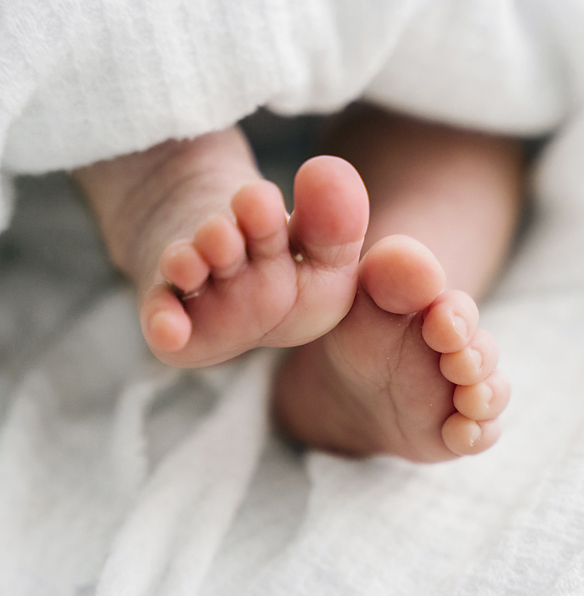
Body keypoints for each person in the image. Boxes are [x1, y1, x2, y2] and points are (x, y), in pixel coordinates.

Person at [73, 103, 523, 462]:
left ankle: (380, 327)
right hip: (191, 61)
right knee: (127, 77)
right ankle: (180, 189)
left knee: (467, 120)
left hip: (397, 78)